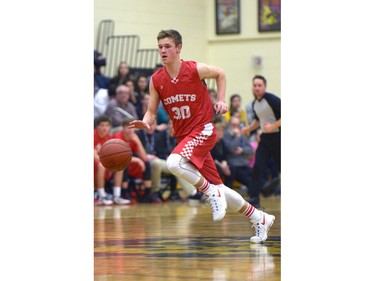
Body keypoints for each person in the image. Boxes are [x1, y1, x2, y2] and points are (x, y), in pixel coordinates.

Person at [129, 29, 275, 243]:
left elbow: (220, 73)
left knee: (173, 163)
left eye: (167, 46)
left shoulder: (194, 69)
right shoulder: (156, 79)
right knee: (221, 188)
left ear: (178, 48)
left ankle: (209, 193)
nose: (163, 50)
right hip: (184, 137)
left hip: (203, 129)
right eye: (160, 47)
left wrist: (222, 99)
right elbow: (151, 111)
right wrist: (146, 121)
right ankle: (259, 217)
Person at [241, 75, 281, 207]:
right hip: (265, 139)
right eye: (255, 85)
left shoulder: (272, 100)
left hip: (278, 137)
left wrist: (273, 126)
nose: (257, 88)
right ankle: (254, 198)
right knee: (258, 167)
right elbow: (259, 121)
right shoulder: (254, 104)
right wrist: (248, 128)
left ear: (265, 87)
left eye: (259, 85)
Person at [93, 116, 131, 206]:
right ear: (96, 127)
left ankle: (116, 196)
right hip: (94, 166)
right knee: (102, 165)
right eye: (102, 125)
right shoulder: (92, 135)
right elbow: (94, 155)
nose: (104, 128)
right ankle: (101, 195)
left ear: (110, 127)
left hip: (101, 166)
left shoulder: (109, 138)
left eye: (107, 125)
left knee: (119, 165)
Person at [222, 116, 255, 205]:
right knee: (249, 180)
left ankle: (263, 190)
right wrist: (237, 137)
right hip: (234, 165)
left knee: (256, 175)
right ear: (230, 124)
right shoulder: (226, 135)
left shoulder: (242, 136)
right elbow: (230, 148)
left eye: (237, 124)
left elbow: (250, 150)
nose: (235, 126)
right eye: (233, 124)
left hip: (244, 163)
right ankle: (255, 196)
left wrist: (242, 150)